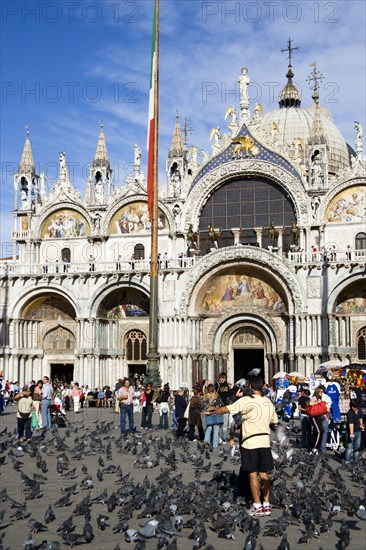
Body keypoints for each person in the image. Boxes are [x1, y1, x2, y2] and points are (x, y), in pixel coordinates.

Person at [205, 376, 278, 517]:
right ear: (262, 387)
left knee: (252, 475)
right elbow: (274, 421)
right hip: (264, 441)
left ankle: (257, 506)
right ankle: (266, 505)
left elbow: (227, 409)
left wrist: (212, 410)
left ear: (250, 387)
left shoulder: (246, 400)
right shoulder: (268, 402)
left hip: (250, 442)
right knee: (264, 474)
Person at [202, 384, 223, 450]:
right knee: (216, 430)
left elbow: (203, 404)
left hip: (208, 413)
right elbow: (220, 404)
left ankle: (206, 442)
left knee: (208, 428)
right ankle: (215, 445)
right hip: (216, 413)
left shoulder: (205, 396)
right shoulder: (216, 395)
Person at [344, 399, 364, 465]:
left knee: (357, 447)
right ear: (352, 407)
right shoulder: (350, 413)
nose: (356, 408)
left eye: (357, 407)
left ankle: (356, 461)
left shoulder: (359, 410)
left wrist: (361, 425)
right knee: (349, 447)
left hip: (358, 431)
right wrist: (351, 433)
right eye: (355, 407)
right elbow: (351, 424)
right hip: (351, 431)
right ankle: (347, 461)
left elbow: (360, 418)